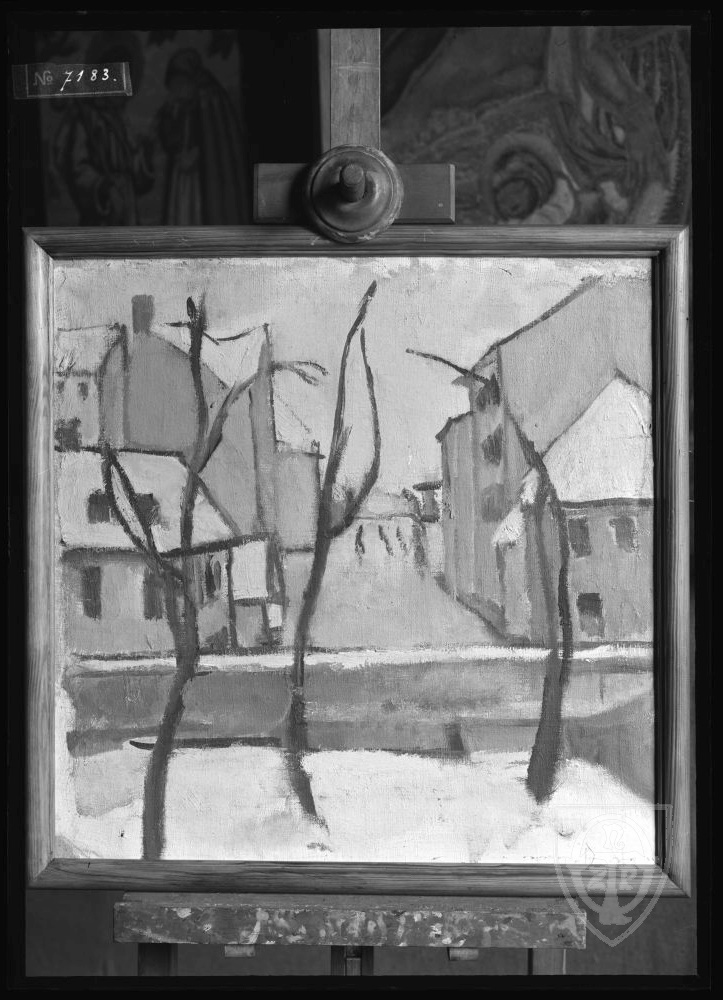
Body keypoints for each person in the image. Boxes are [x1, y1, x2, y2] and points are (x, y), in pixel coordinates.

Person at [157, 48, 249, 225]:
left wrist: (198, 154)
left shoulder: (212, 99)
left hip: (205, 178)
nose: (175, 90)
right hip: (182, 178)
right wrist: (168, 118)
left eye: (179, 83)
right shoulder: (179, 107)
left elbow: (216, 144)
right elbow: (172, 141)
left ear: (189, 79)